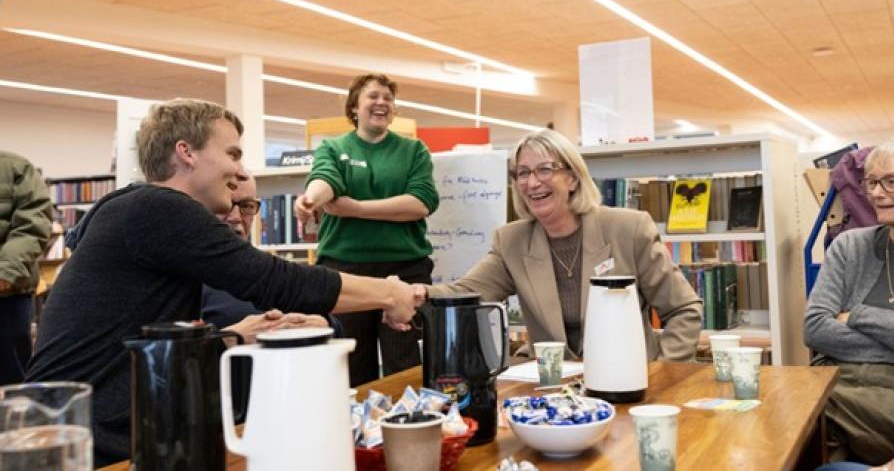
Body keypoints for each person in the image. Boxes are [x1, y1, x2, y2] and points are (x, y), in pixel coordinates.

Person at [27, 98, 417, 466]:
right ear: (186, 152)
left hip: (92, 431)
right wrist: (388, 292)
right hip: (82, 443)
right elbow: (274, 281)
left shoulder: (137, 212)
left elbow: (149, 344)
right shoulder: (158, 208)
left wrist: (230, 337)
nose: (238, 171)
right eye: (232, 153)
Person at [416, 128, 703, 361]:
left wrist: (663, 372)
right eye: (523, 173)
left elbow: (683, 310)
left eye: (544, 170)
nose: (531, 183)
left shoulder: (629, 229)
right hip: (555, 390)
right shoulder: (511, 241)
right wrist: (412, 294)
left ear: (573, 179)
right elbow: (463, 293)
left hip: (628, 379)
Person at [294, 74, 439, 386]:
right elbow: (325, 180)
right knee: (351, 361)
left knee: (404, 360)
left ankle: (409, 426)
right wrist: (310, 199)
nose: (382, 103)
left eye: (388, 98)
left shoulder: (414, 151)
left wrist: (355, 209)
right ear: (354, 107)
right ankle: (358, 432)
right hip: (345, 269)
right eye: (373, 96)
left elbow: (420, 202)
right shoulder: (333, 148)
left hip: (404, 269)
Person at [804, 141, 894, 465]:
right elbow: (814, 328)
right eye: (870, 182)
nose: (878, 193)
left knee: (805, 407)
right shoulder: (848, 246)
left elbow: (832, 332)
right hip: (840, 386)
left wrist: (856, 315)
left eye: (891, 181)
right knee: (792, 407)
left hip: (875, 399)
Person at [201, 172, 336, 335]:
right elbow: (171, 352)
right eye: (225, 205)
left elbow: (334, 326)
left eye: (246, 206)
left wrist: (323, 324)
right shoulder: (185, 276)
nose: (236, 217)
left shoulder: (275, 270)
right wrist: (233, 337)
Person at [0, 150, 53, 384]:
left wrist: (5, 273)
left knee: (11, 384)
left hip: (8, 296)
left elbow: (33, 223)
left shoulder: (16, 168)